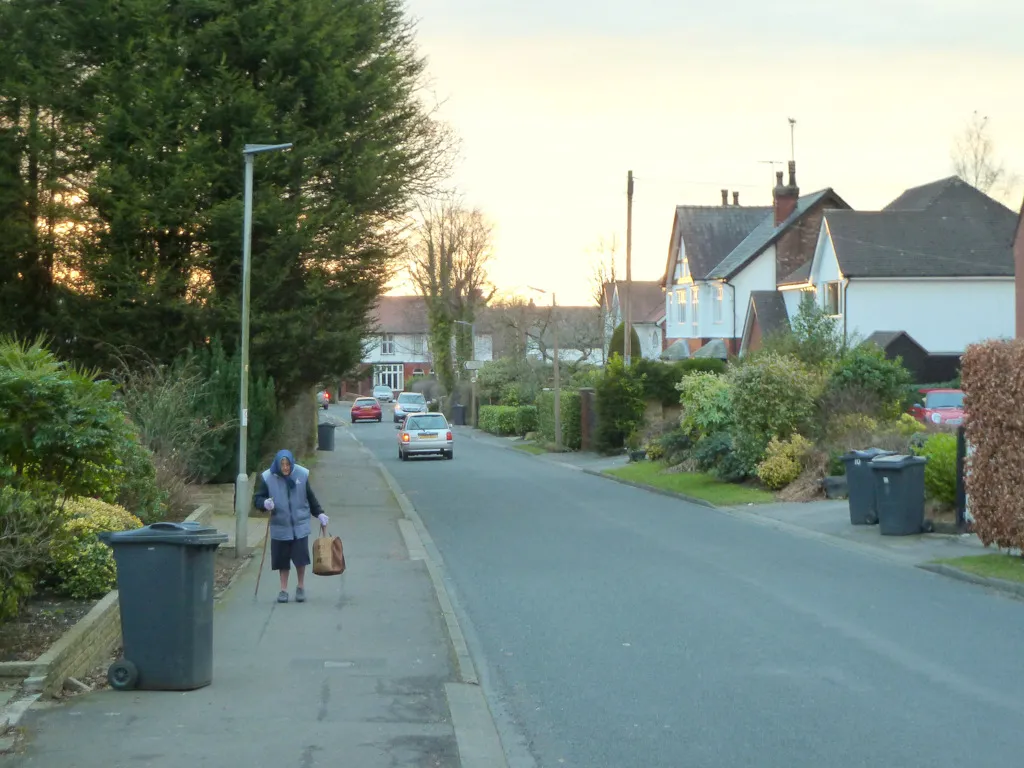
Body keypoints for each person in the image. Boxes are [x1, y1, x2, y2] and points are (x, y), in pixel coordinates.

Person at [253, 449, 329, 603]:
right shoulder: (268, 477)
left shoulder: (301, 474)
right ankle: (283, 590)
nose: (286, 468)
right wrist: (265, 504)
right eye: (282, 465)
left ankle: (300, 587)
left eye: (288, 464)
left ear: (292, 463)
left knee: (301, 560)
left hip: (299, 525)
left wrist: (319, 513)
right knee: (282, 561)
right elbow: (257, 499)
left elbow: (310, 497)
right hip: (280, 525)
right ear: (277, 464)